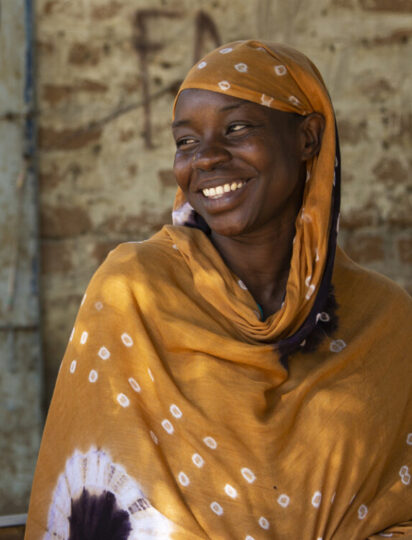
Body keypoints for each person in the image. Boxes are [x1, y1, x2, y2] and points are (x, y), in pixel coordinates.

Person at [25, 40, 412, 538]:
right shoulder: (133, 295)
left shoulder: (386, 320)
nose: (206, 158)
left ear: (308, 138)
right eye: (186, 141)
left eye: (237, 129)